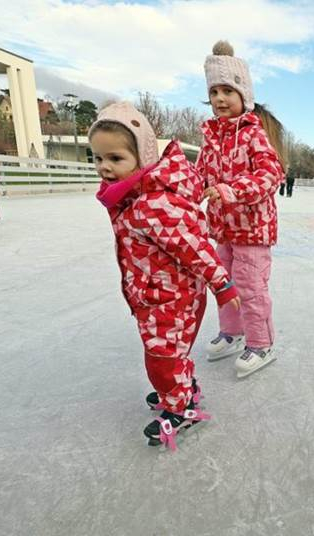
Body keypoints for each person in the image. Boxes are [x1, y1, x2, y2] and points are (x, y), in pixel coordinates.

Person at [89, 102, 240, 449]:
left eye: (115, 158)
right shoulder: (134, 197)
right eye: (97, 158)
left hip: (170, 298)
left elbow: (194, 245)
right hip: (157, 293)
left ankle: (180, 409)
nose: (104, 168)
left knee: (161, 357)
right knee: (173, 353)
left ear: (142, 157)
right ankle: (184, 390)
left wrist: (223, 284)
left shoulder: (152, 203)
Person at [197, 40, 285, 378]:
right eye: (214, 91)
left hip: (253, 229)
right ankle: (232, 333)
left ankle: (260, 342)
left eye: (227, 91)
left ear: (243, 95)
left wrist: (230, 191)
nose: (219, 99)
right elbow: (200, 174)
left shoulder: (253, 134)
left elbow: (270, 173)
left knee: (250, 286)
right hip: (223, 229)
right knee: (225, 284)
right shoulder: (211, 137)